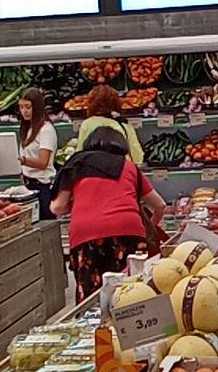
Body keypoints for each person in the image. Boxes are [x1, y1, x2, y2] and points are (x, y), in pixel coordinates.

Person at [50, 124, 166, 302]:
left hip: (86, 233)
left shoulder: (77, 164)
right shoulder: (128, 167)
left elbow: (57, 207)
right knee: (132, 292)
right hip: (128, 231)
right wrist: (152, 225)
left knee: (90, 298)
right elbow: (160, 205)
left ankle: (94, 319)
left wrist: (78, 203)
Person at [76, 85, 145, 166]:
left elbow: (79, 154)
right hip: (121, 168)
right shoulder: (124, 125)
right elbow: (138, 158)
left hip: (94, 168)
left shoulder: (87, 124)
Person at [18, 87, 58, 221]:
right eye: (21, 107)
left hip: (42, 186)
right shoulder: (27, 129)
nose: (24, 111)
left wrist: (23, 160)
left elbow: (43, 162)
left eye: (28, 107)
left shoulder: (46, 130)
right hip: (28, 185)